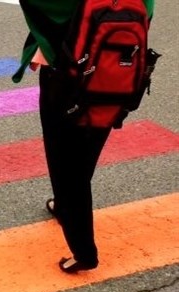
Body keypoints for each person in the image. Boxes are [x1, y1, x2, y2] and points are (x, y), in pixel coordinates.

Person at [13, 0, 155, 273]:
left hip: (69, 70)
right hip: (118, 67)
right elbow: (147, 10)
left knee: (64, 161)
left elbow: (49, 9)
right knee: (88, 146)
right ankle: (65, 206)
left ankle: (84, 251)